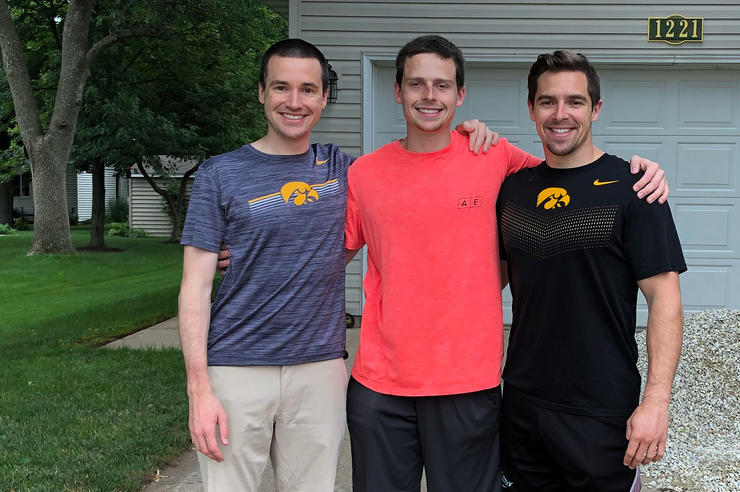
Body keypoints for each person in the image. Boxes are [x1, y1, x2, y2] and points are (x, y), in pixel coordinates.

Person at [343, 35, 670, 492]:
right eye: (417, 84)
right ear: (397, 91)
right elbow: (322, 259)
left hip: (479, 386)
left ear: (461, 95)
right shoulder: (366, 173)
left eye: (443, 85)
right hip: (394, 385)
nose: (429, 96)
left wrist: (642, 172)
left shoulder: (497, 159)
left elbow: (573, 174)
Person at [178, 38, 497, 492]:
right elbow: (194, 287)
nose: (294, 102)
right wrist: (199, 388)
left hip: (319, 368)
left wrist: (469, 131)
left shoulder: (347, 171)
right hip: (236, 367)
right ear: (261, 93)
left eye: (308, 89)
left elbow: (416, 177)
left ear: (324, 97)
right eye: (281, 88)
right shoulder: (220, 174)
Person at [497, 50, 685, 492]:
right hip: (522, 404)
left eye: (575, 101)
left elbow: (665, 298)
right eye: (547, 101)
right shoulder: (513, 191)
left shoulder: (634, 188)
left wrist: (655, 402)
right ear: (531, 108)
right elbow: (488, 280)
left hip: (601, 409)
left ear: (595, 108)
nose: (561, 114)